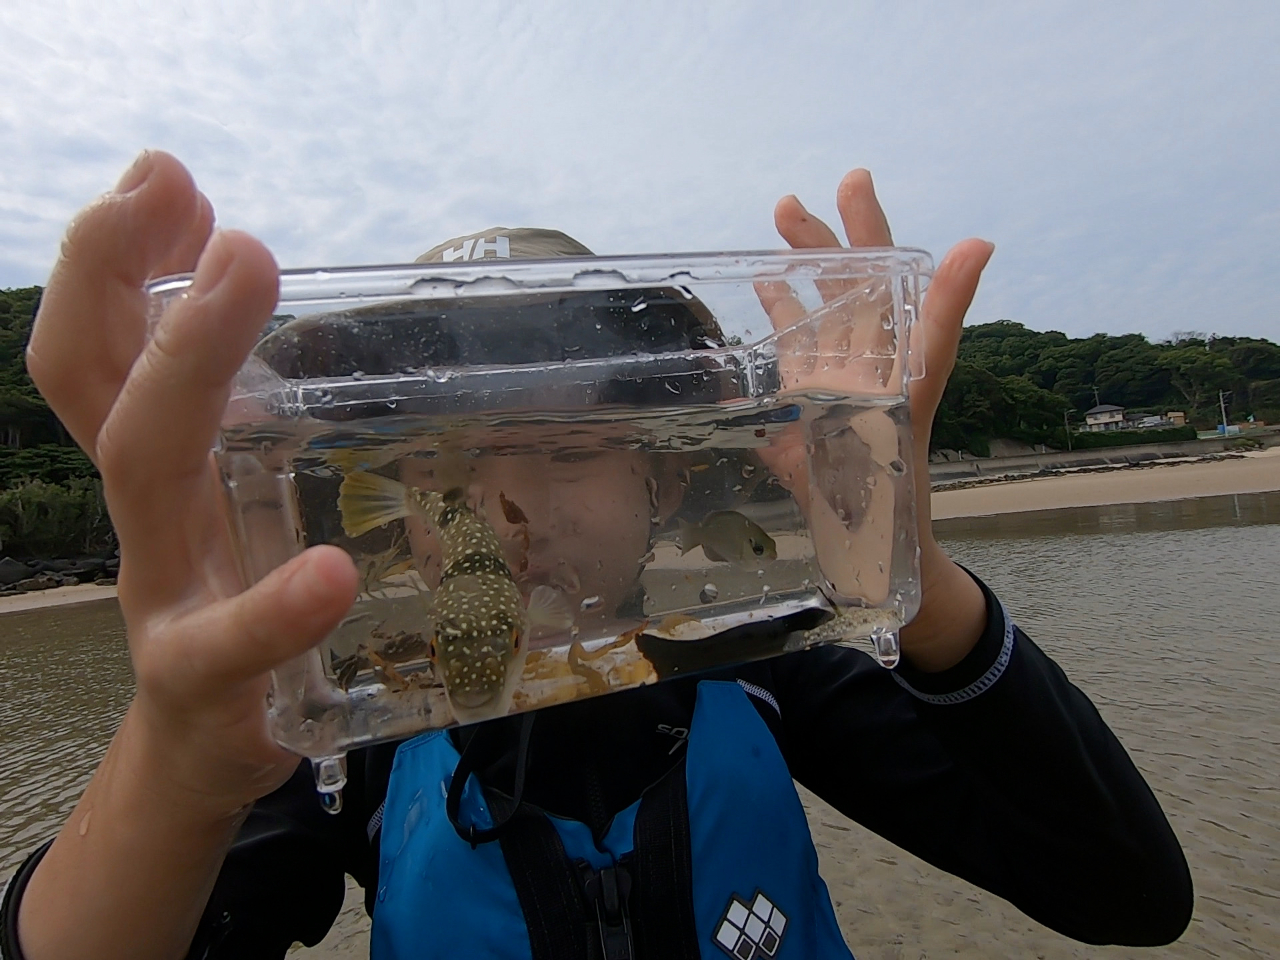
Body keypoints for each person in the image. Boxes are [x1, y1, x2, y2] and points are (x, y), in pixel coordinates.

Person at [1, 152, 1192, 960]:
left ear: (661, 478)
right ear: (399, 506)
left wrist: (911, 580)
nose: (509, 506)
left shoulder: (763, 668)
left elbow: (1125, 894)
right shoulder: (347, 728)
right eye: (450, 466)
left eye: (568, 450)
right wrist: (180, 764)